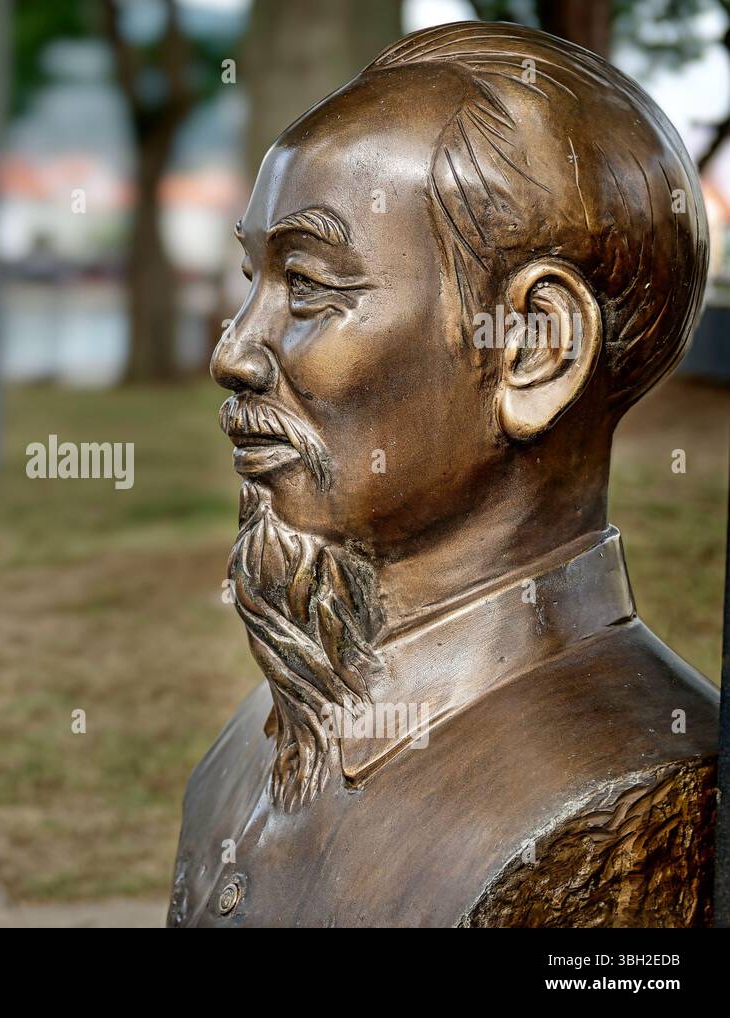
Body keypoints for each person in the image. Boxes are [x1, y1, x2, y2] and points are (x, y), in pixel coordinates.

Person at [170, 21, 716, 927]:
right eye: (248, 279)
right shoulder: (251, 746)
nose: (234, 351)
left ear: (534, 349)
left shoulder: (636, 791)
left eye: (306, 288)